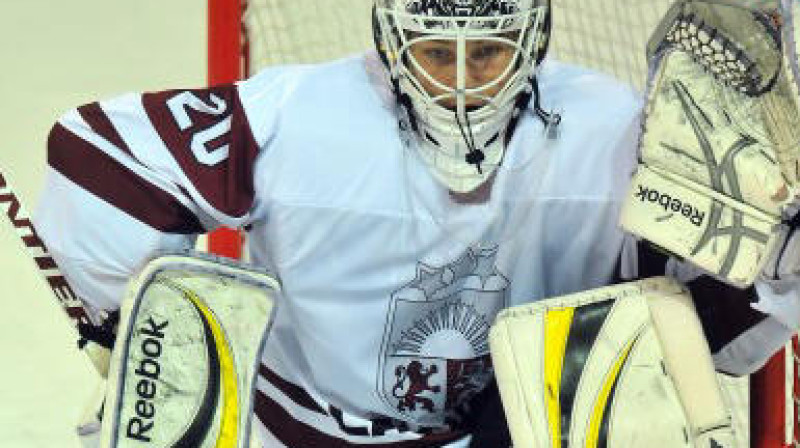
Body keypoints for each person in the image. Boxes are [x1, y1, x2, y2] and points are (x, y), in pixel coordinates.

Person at [34, 0, 799, 446]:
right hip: (299, 438)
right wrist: (128, 324)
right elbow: (94, 154)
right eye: (438, 53)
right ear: (393, 43)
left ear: (531, 42)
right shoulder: (303, 120)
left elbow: (703, 342)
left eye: (487, 55)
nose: (462, 87)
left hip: (511, 437)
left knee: (625, 352)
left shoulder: (615, 134)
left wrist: (776, 276)